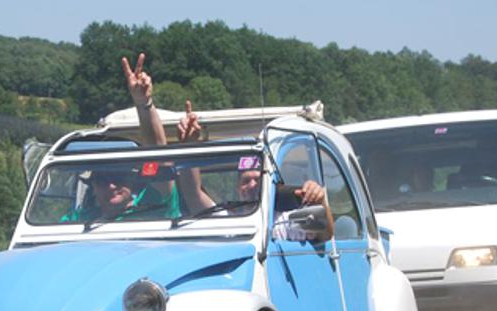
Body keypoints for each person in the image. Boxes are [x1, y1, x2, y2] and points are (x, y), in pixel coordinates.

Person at [172, 99, 332, 240]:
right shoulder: (224, 220)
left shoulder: (283, 222)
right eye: (246, 180)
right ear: (238, 188)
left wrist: (319, 200)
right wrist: (189, 144)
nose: (252, 185)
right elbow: (192, 193)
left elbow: (324, 234)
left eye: (258, 180)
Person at [61, 54, 180, 222]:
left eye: (118, 177)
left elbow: (159, 159)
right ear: (93, 185)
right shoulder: (79, 219)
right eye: (102, 180)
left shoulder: (153, 205)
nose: (111, 186)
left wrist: (144, 104)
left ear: (132, 180)